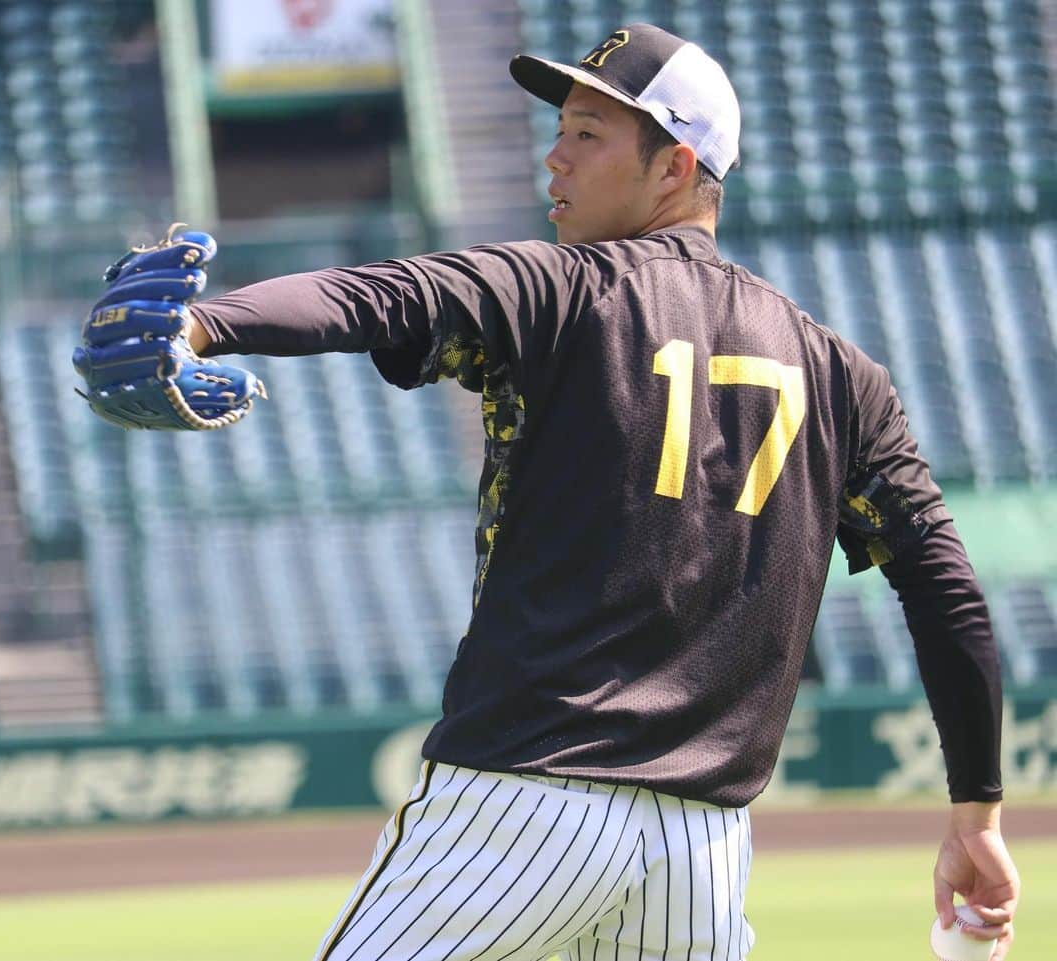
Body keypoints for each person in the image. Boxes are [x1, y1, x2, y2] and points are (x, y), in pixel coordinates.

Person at [137, 22, 1023, 961]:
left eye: (590, 134)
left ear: (676, 165)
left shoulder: (560, 289)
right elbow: (946, 593)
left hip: (522, 804)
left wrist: (199, 326)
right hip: (703, 852)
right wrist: (978, 810)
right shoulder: (843, 375)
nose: (553, 157)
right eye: (560, 128)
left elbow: (380, 297)